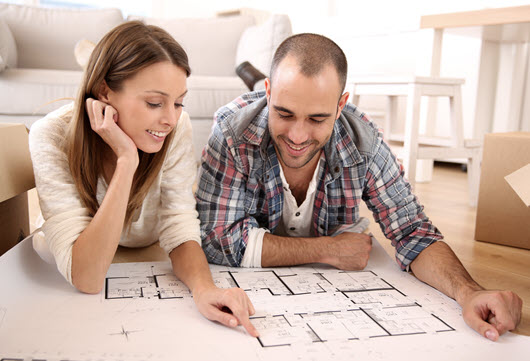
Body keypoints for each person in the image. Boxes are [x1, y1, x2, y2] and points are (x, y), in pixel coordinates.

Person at [196, 33, 522, 341]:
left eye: (317, 119)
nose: (297, 136)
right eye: (284, 113)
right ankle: (253, 79)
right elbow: (217, 241)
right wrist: (326, 249)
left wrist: (470, 292)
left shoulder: (364, 142)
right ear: (269, 93)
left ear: (340, 106)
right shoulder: (231, 130)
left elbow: (413, 234)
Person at [29, 21, 258, 337]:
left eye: (179, 102)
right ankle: (93, 60)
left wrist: (205, 290)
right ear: (104, 92)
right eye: (154, 103)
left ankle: (99, 62)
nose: (170, 119)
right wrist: (126, 161)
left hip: (146, 245)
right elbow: (88, 278)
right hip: (86, 246)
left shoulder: (177, 127)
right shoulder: (51, 135)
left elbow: (179, 225)